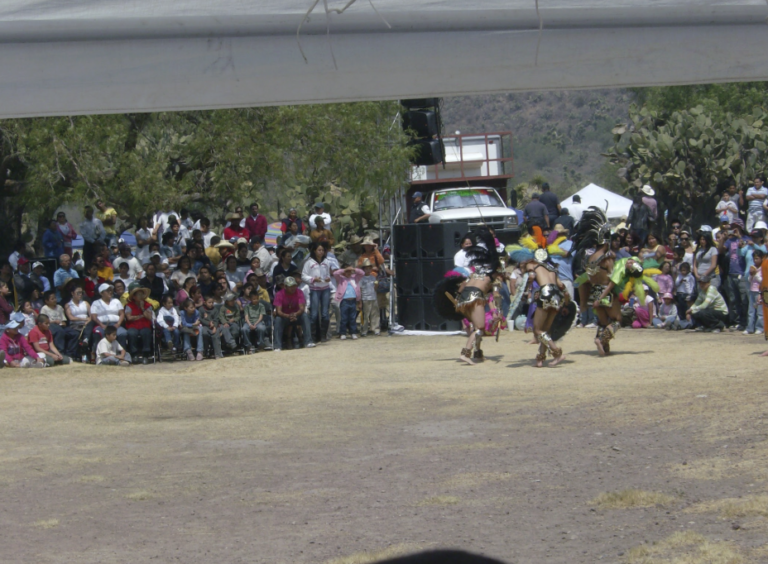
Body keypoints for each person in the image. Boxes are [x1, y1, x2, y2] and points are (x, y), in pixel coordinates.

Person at [434, 228, 505, 365]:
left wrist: (458, 298)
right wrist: (498, 311)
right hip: (475, 296)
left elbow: (463, 285)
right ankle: (466, 353)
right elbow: (495, 294)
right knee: (480, 328)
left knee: (476, 326)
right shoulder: (495, 275)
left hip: (465, 297)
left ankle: (478, 353)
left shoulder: (477, 270)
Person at [508, 247, 569, 367]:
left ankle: (557, 353)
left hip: (545, 293)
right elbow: (562, 286)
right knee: (545, 331)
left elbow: (530, 276)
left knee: (538, 330)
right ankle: (540, 359)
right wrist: (567, 302)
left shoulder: (532, 264)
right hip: (557, 294)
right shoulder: (551, 268)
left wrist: (526, 287)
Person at [718, 219, 748, 330]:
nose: (733, 229)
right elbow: (721, 251)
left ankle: (745, 322)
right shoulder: (730, 241)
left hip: (743, 273)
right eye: (732, 226)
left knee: (744, 299)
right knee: (733, 300)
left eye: (736, 226)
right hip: (731, 273)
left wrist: (740, 237)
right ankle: (736, 321)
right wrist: (722, 239)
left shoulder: (747, 239)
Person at [302, 242, 332, 344]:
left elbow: (328, 274)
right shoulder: (309, 262)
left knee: (325, 313)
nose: (321, 252)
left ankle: (323, 336)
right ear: (314, 251)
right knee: (314, 313)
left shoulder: (326, 262)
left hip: (325, 288)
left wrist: (328, 278)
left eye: (323, 250)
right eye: (319, 250)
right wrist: (313, 279)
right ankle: (313, 336)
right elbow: (303, 276)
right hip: (314, 289)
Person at [273, 276, 312, 350]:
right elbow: (278, 311)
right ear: (285, 286)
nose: (293, 288)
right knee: (278, 319)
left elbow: (302, 308)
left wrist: (295, 314)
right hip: (284, 316)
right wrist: (288, 316)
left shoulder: (299, 292)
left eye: (294, 285)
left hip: (297, 315)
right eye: (290, 286)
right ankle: (277, 346)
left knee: (305, 316)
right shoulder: (279, 294)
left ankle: (308, 342)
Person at [90, 283, 127, 350]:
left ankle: (121, 353)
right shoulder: (96, 303)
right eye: (107, 291)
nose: (110, 292)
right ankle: (97, 353)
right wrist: (101, 325)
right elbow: (94, 316)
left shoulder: (116, 301)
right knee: (98, 333)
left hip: (115, 324)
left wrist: (118, 324)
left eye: (111, 290)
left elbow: (122, 314)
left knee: (123, 333)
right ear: (101, 293)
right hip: (101, 325)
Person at [124, 283, 154, 363]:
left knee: (146, 332)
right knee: (131, 333)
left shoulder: (148, 305)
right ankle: (134, 354)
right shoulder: (129, 305)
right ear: (134, 296)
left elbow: (149, 317)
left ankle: (146, 354)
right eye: (138, 295)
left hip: (145, 325)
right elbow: (129, 318)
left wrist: (142, 308)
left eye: (142, 294)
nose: (141, 296)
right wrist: (141, 316)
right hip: (132, 326)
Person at [333, 265, 364, 341]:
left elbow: (362, 273)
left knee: (352, 318)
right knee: (344, 318)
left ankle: (353, 332)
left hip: (353, 300)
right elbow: (335, 273)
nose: (348, 273)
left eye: (350, 271)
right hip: (344, 300)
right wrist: (344, 269)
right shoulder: (341, 279)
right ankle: (343, 333)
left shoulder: (354, 278)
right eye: (347, 271)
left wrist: (354, 269)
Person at [358, 258, 380, 337]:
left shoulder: (373, 277)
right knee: (365, 315)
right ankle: (364, 330)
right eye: (366, 268)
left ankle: (375, 329)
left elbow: (375, 288)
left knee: (375, 314)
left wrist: (376, 284)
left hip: (373, 297)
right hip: (365, 298)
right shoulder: (361, 279)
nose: (368, 270)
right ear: (363, 269)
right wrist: (360, 301)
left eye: (369, 268)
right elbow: (360, 289)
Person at [198, 294, 223, 359]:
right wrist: (208, 323)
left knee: (215, 335)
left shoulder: (215, 309)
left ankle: (218, 354)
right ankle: (206, 351)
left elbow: (217, 319)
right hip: (205, 326)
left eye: (212, 302)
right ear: (205, 302)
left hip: (214, 326)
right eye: (209, 302)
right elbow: (200, 319)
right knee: (204, 333)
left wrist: (214, 326)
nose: (211, 304)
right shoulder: (201, 309)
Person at [746, 249, 765, 335]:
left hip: (760, 292)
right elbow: (749, 280)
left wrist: (756, 275)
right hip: (752, 291)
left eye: (757, 258)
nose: (755, 260)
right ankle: (750, 328)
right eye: (754, 258)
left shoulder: (763, 269)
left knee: (760, 312)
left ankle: (759, 327)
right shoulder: (753, 267)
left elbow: (763, 281)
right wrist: (750, 274)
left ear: (762, 258)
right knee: (751, 311)